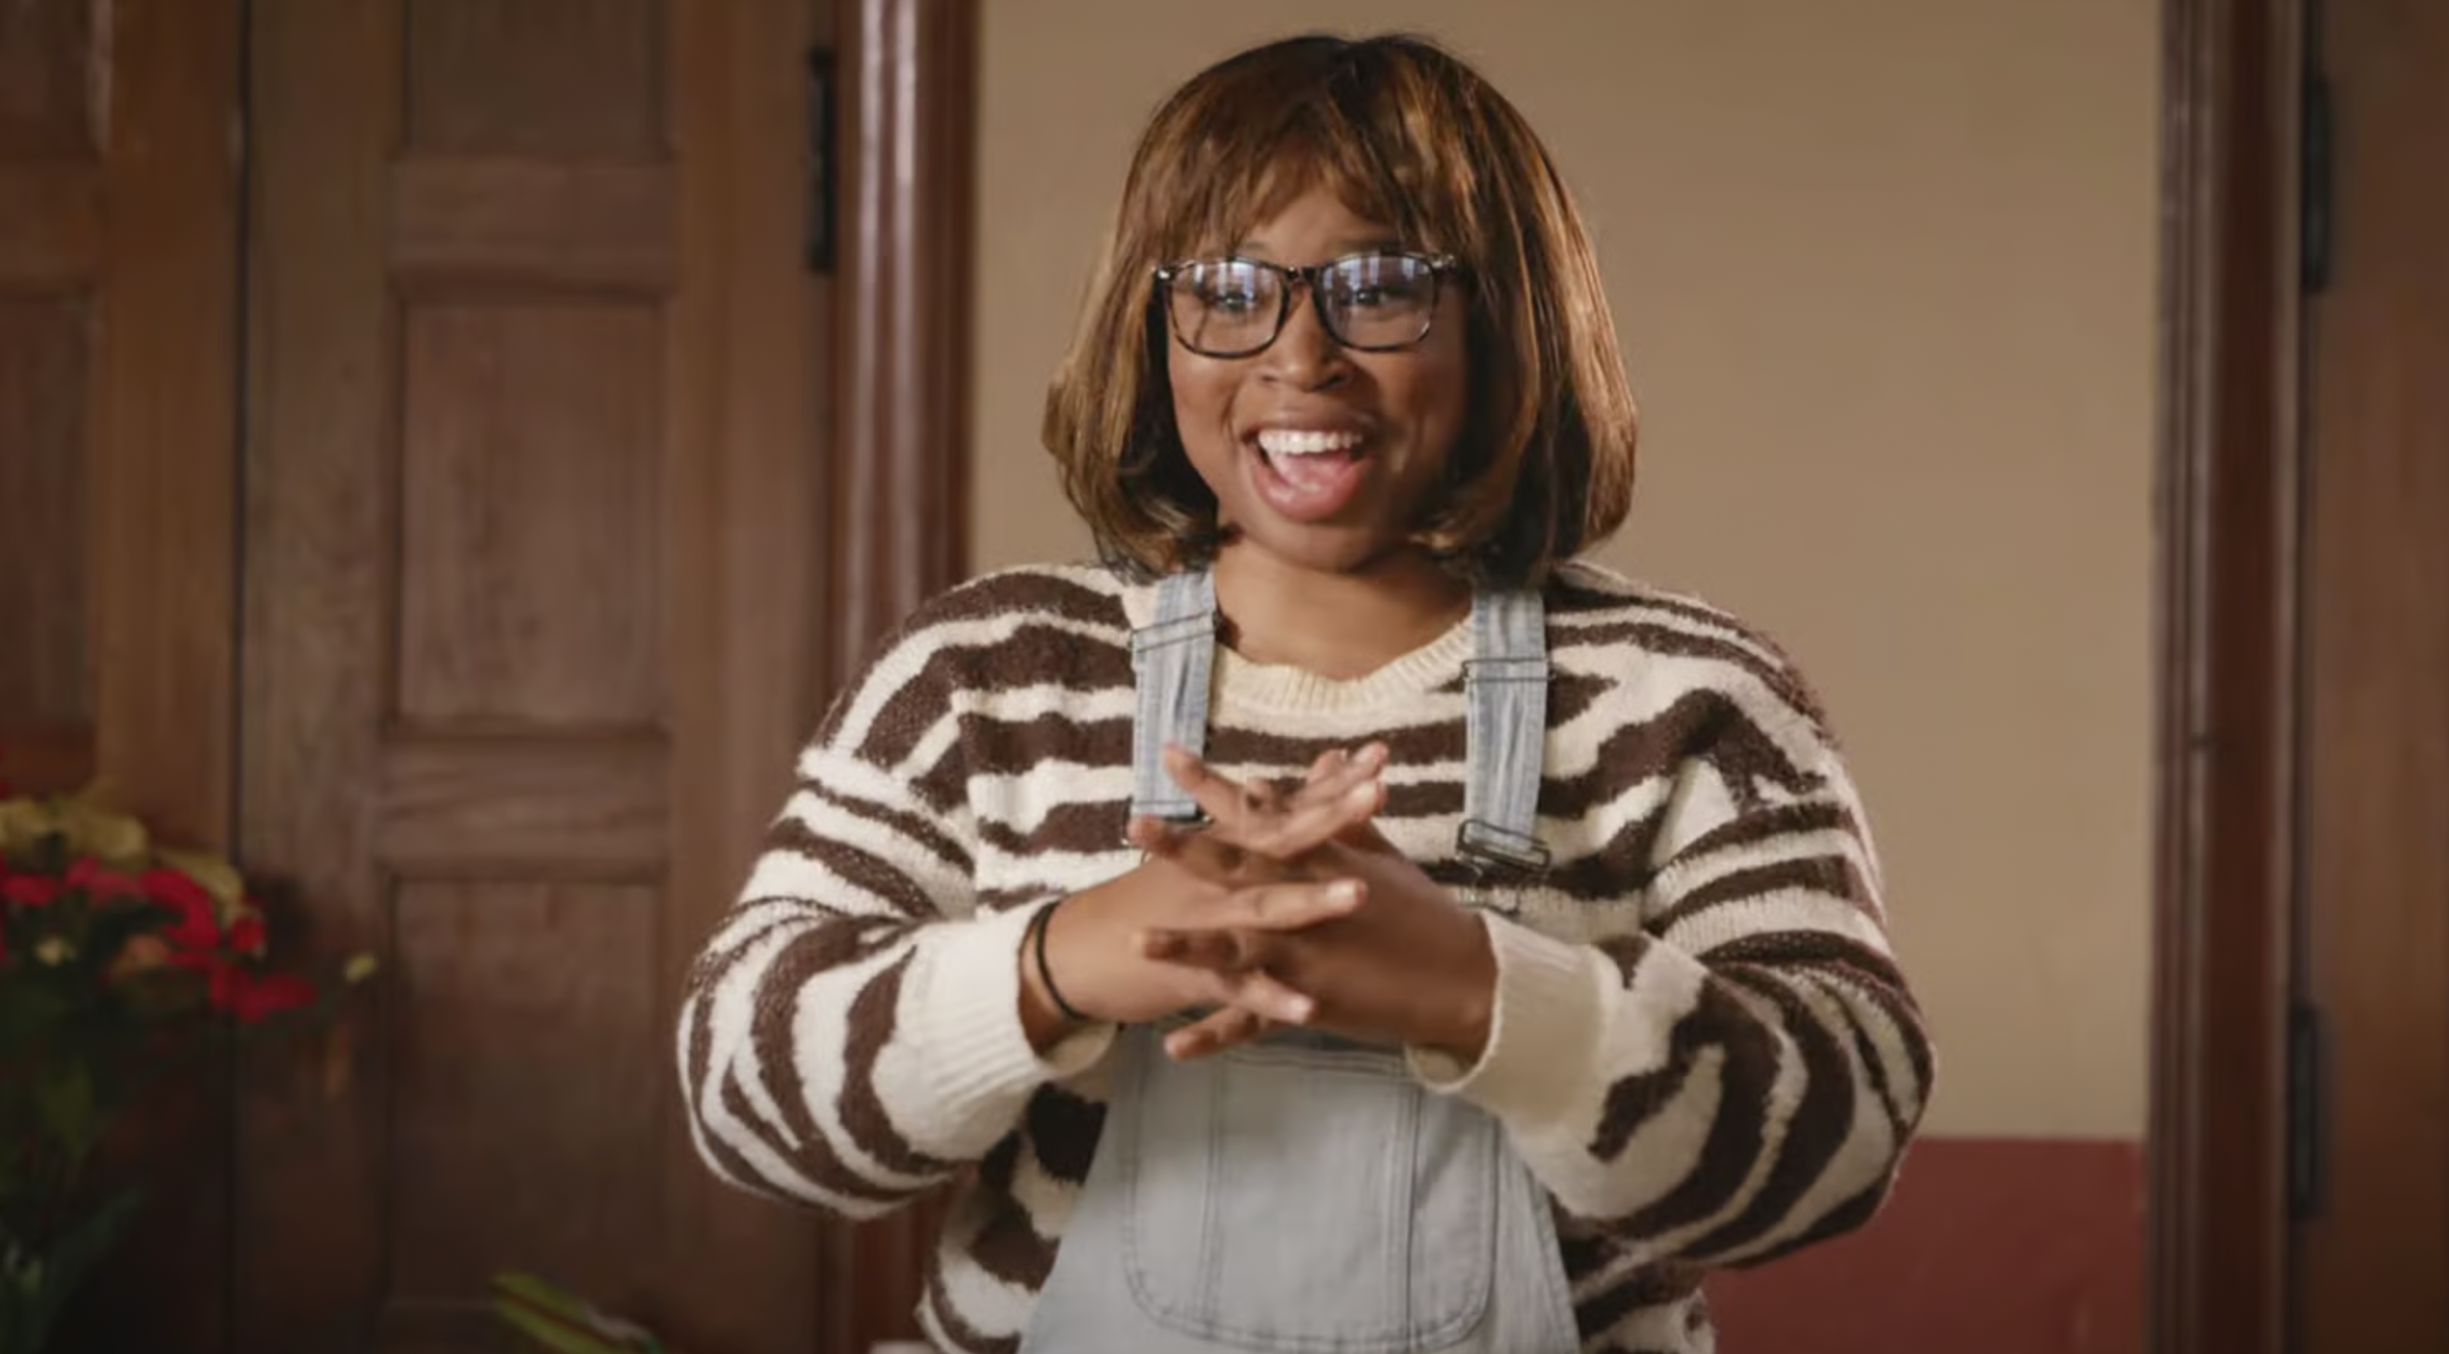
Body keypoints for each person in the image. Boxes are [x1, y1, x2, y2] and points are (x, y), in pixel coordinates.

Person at [677, 30, 1933, 1354]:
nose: (1300, 355)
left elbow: (1843, 1136)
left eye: (1381, 285)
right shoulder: (981, 682)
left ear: (1507, 316)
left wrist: (1479, 988)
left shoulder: (1690, 705)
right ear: (1153, 322)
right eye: (1228, 288)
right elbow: (745, 1102)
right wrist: (1065, 960)